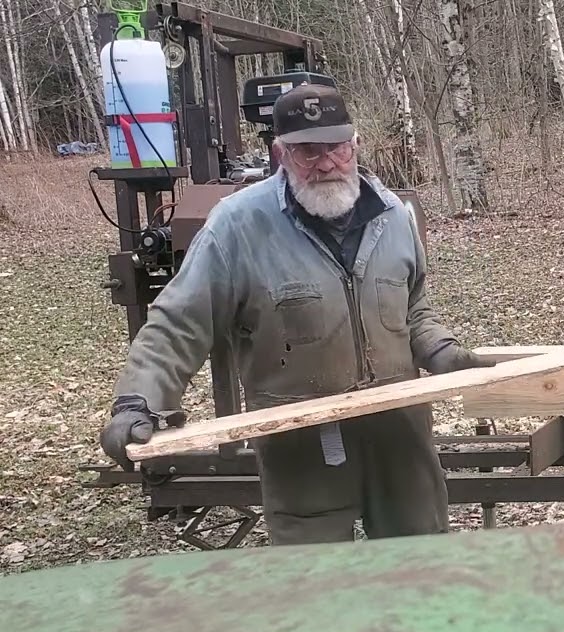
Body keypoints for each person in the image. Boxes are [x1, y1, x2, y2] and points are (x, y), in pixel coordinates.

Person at [98, 83, 494, 545]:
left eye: (336, 147)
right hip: (301, 443)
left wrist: (443, 353)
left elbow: (414, 308)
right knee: (315, 589)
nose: (326, 162)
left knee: (419, 569)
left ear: (354, 144)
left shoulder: (393, 214)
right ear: (280, 153)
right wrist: (137, 401)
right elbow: (176, 323)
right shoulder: (238, 226)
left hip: (399, 437)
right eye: (308, 151)